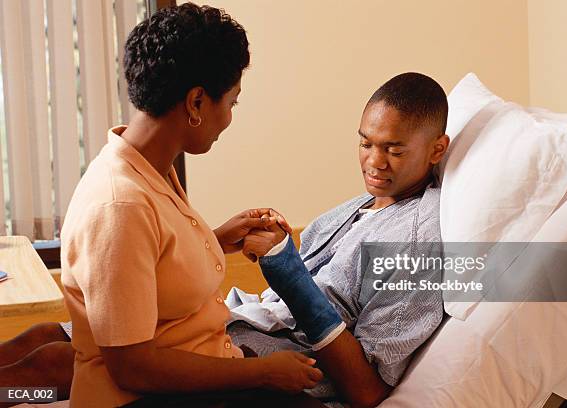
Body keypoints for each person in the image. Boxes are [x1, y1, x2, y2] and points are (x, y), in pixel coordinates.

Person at [0, 71, 449, 408]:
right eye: (365, 143)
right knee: (44, 335)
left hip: (276, 356)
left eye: (393, 149)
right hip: (235, 316)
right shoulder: (360, 207)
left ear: (437, 149)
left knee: (53, 365)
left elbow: (367, 390)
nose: (373, 161)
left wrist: (284, 268)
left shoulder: (417, 241)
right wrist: (230, 245)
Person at [0, 4, 325, 408]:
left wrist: (214, 238)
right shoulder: (119, 204)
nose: (228, 119)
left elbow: (153, 258)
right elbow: (132, 366)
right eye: (232, 103)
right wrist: (263, 371)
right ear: (196, 102)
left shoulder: (148, 169)